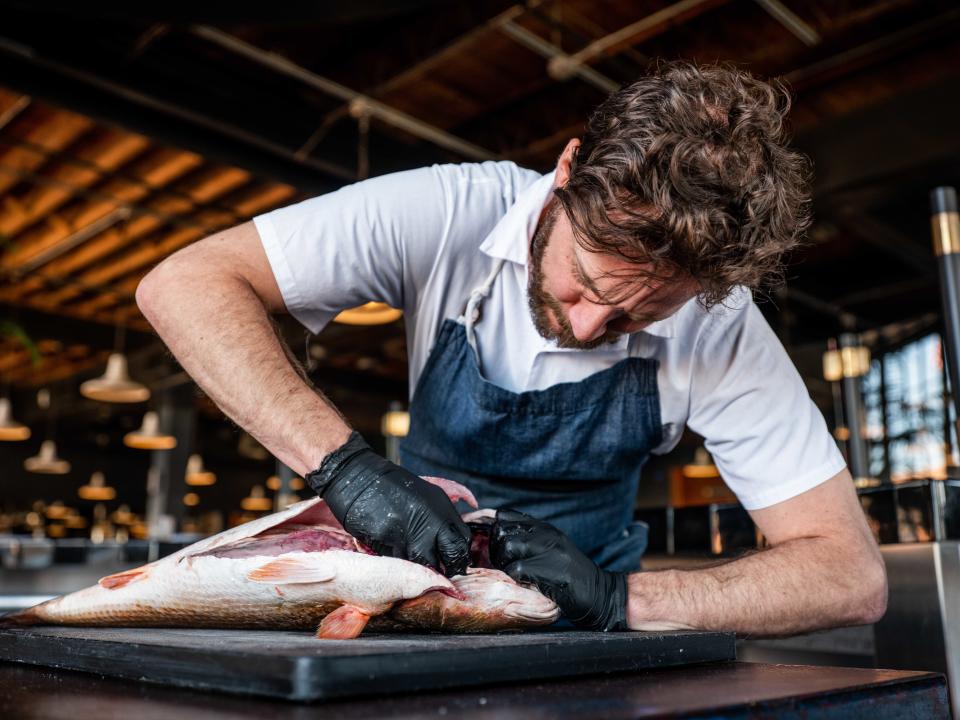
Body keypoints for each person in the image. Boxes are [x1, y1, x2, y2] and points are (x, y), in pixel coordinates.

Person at [137, 62, 886, 635]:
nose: (590, 327)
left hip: (591, 641)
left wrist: (620, 599)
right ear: (566, 177)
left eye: (637, 315)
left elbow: (850, 576)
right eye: (586, 283)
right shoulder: (450, 212)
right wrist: (346, 470)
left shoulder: (719, 323)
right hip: (414, 610)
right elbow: (185, 284)